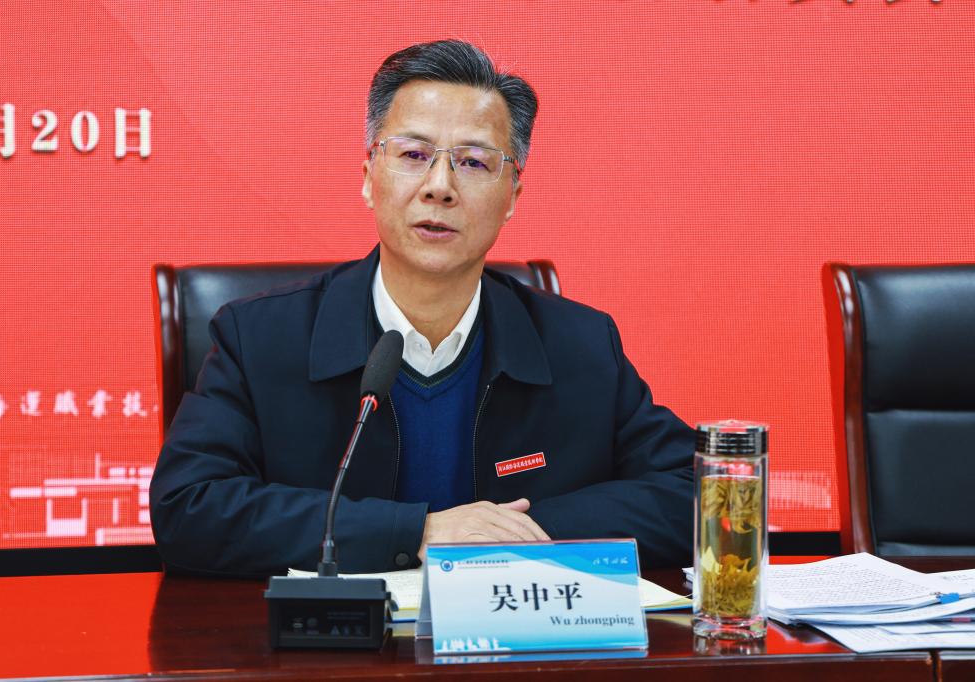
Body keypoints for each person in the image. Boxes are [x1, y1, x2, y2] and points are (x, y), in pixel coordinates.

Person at [150, 40, 695, 577]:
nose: (440, 187)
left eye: (474, 162)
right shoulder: (259, 337)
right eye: (413, 155)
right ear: (369, 176)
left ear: (512, 196)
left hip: (513, 634)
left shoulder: (581, 345)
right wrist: (415, 532)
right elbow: (189, 507)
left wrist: (509, 534)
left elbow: (696, 493)